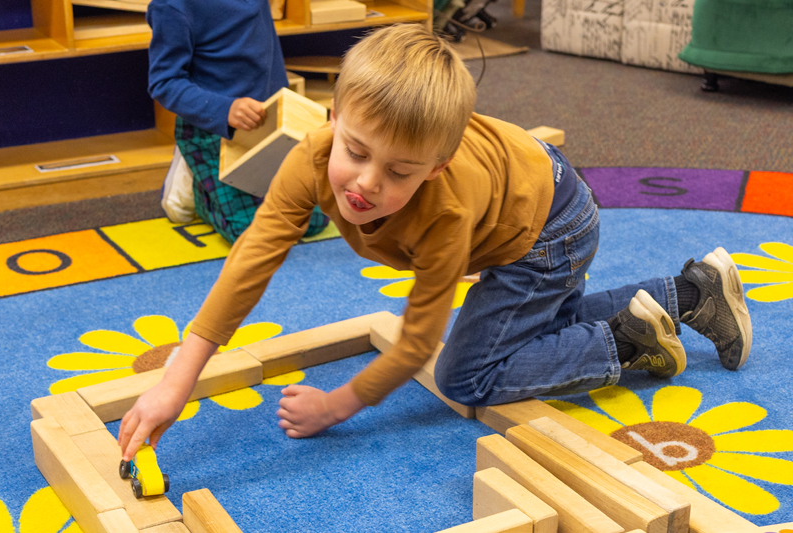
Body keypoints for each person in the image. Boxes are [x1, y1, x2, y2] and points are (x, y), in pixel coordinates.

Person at [118, 23, 752, 460]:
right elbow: (253, 257)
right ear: (331, 121)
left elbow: (418, 338)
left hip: (551, 230)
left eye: (398, 172)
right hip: (525, 193)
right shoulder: (310, 156)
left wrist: (336, 407)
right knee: (526, 328)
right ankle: (692, 293)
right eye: (356, 152)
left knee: (467, 372)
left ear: (435, 167)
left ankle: (623, 341)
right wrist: (179, 377)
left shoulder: (445, 211)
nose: (365, 184)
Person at [148, 0, 329, 242]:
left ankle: (205, 179)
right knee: (251, 233)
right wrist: (226, 110)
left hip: (269, 120)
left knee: (315, 219)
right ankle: (194, 181)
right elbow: (164, 83)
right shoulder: (172, 6)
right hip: (216, 125)